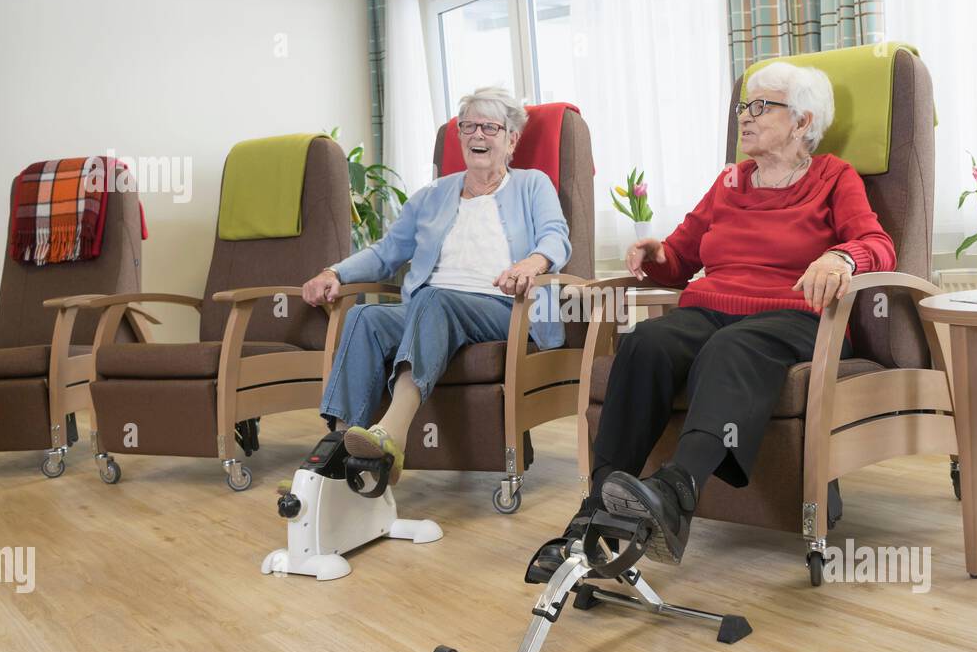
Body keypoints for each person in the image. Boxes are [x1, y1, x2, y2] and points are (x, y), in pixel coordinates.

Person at [533, 62, 896, 577]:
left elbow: (878, 244)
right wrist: (657, 253)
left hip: (790, 316)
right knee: (645, 342)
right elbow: (682, 258)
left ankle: (676, 492)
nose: (743, 118)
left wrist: (841, 259)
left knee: (731, 349)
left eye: (758, 106)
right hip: (708, 308)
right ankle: (596, 513)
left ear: (801, 121)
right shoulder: (729, 181)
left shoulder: (834, 177)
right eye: (742, 107)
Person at [302, 87, 570, 484]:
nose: (477, 135)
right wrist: (335, 273)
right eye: (467, 126)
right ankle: (343, 454)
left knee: (434, 298)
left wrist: (533, 262)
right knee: (364, 316)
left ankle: (392, 436)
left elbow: (556, 235)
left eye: (490, 127)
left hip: (505, 308)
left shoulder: (532, 184)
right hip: (431, 308)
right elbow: (388, 250)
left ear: (512, 139)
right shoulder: (433, 194)